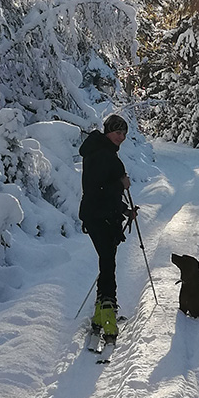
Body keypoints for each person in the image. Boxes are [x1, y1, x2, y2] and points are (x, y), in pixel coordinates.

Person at [79, 114, 137, 340]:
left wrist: (124, 210)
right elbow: (99, 191)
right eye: (117, 132)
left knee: (106, 263)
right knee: (108, 266)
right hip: (100, 218)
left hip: (98, 216)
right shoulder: (104, 155)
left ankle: (99, 314)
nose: (120, 137)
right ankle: (108, 318)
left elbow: (101, 193)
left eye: (123, 134)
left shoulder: (99, 151)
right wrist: (121, 184)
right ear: (107, 131)